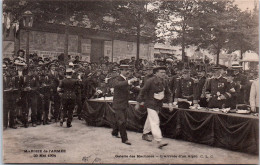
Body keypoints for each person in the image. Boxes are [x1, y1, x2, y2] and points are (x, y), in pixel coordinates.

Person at [135, 66, 173, 149]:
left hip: (158, 104)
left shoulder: (165, 81)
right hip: (150, 103)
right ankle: (159, 141)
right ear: (156, 73)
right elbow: (142, 91)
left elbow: (168, 93)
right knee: (155, 121)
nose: (163, 74)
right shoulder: (150, 81)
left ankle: (145, 134)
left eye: (164, 72)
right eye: (161, 72)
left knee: (150, 119)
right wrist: (138, 103)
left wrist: (170, 103)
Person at [111, 64, 138, 145]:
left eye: (128, 70)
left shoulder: (126, 80)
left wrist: (143, 90)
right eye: (126, 70)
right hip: (118, 104)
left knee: (120, 120)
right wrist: (129, 81)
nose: (127, 72)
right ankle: (124, 139)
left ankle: (114, 132)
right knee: (122, 121)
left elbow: (132, 88)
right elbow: (117, 84)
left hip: (124, 103)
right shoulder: (116, 78)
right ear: (121, 71)